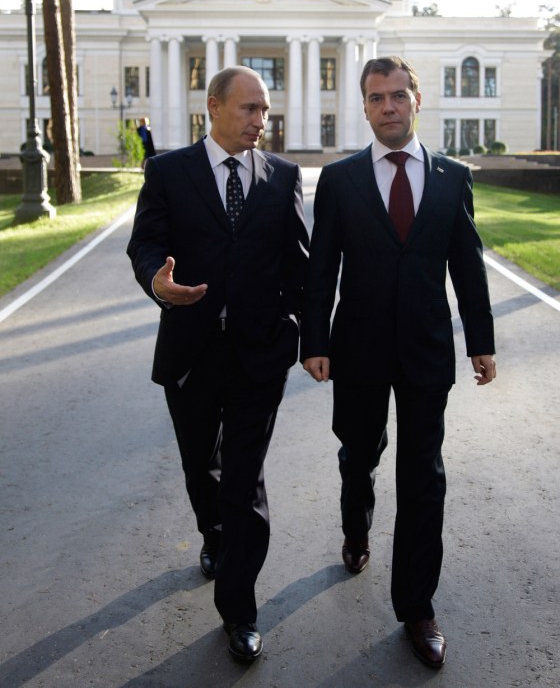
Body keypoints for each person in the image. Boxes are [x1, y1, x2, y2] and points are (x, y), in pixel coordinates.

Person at [301, 56, 496, 669]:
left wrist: (482, 341)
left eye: (397, 96)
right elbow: (321, 268)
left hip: (425, 353)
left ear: (417, 100)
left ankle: (417, 606)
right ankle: (355, 529)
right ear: (364, 106)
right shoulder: (339, 179)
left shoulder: (452, 176)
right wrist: (314, 341)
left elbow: (467, 264)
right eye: (376, 97)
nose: (388, 106)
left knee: (424, 476)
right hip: (357, 351)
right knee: (358, 454)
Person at [127, 66, 309, 662]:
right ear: (214, 107)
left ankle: (240, 610)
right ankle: (212, 535)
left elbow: (299, 264)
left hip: (260, 354)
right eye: (250, 108)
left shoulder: (283, 177)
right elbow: (146, 242)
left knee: (245, 481)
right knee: (200, 467)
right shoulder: (169, 172)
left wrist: (314, 337)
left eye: (265, 110)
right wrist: (157, 281)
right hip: (191, 353)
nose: (262, 120)